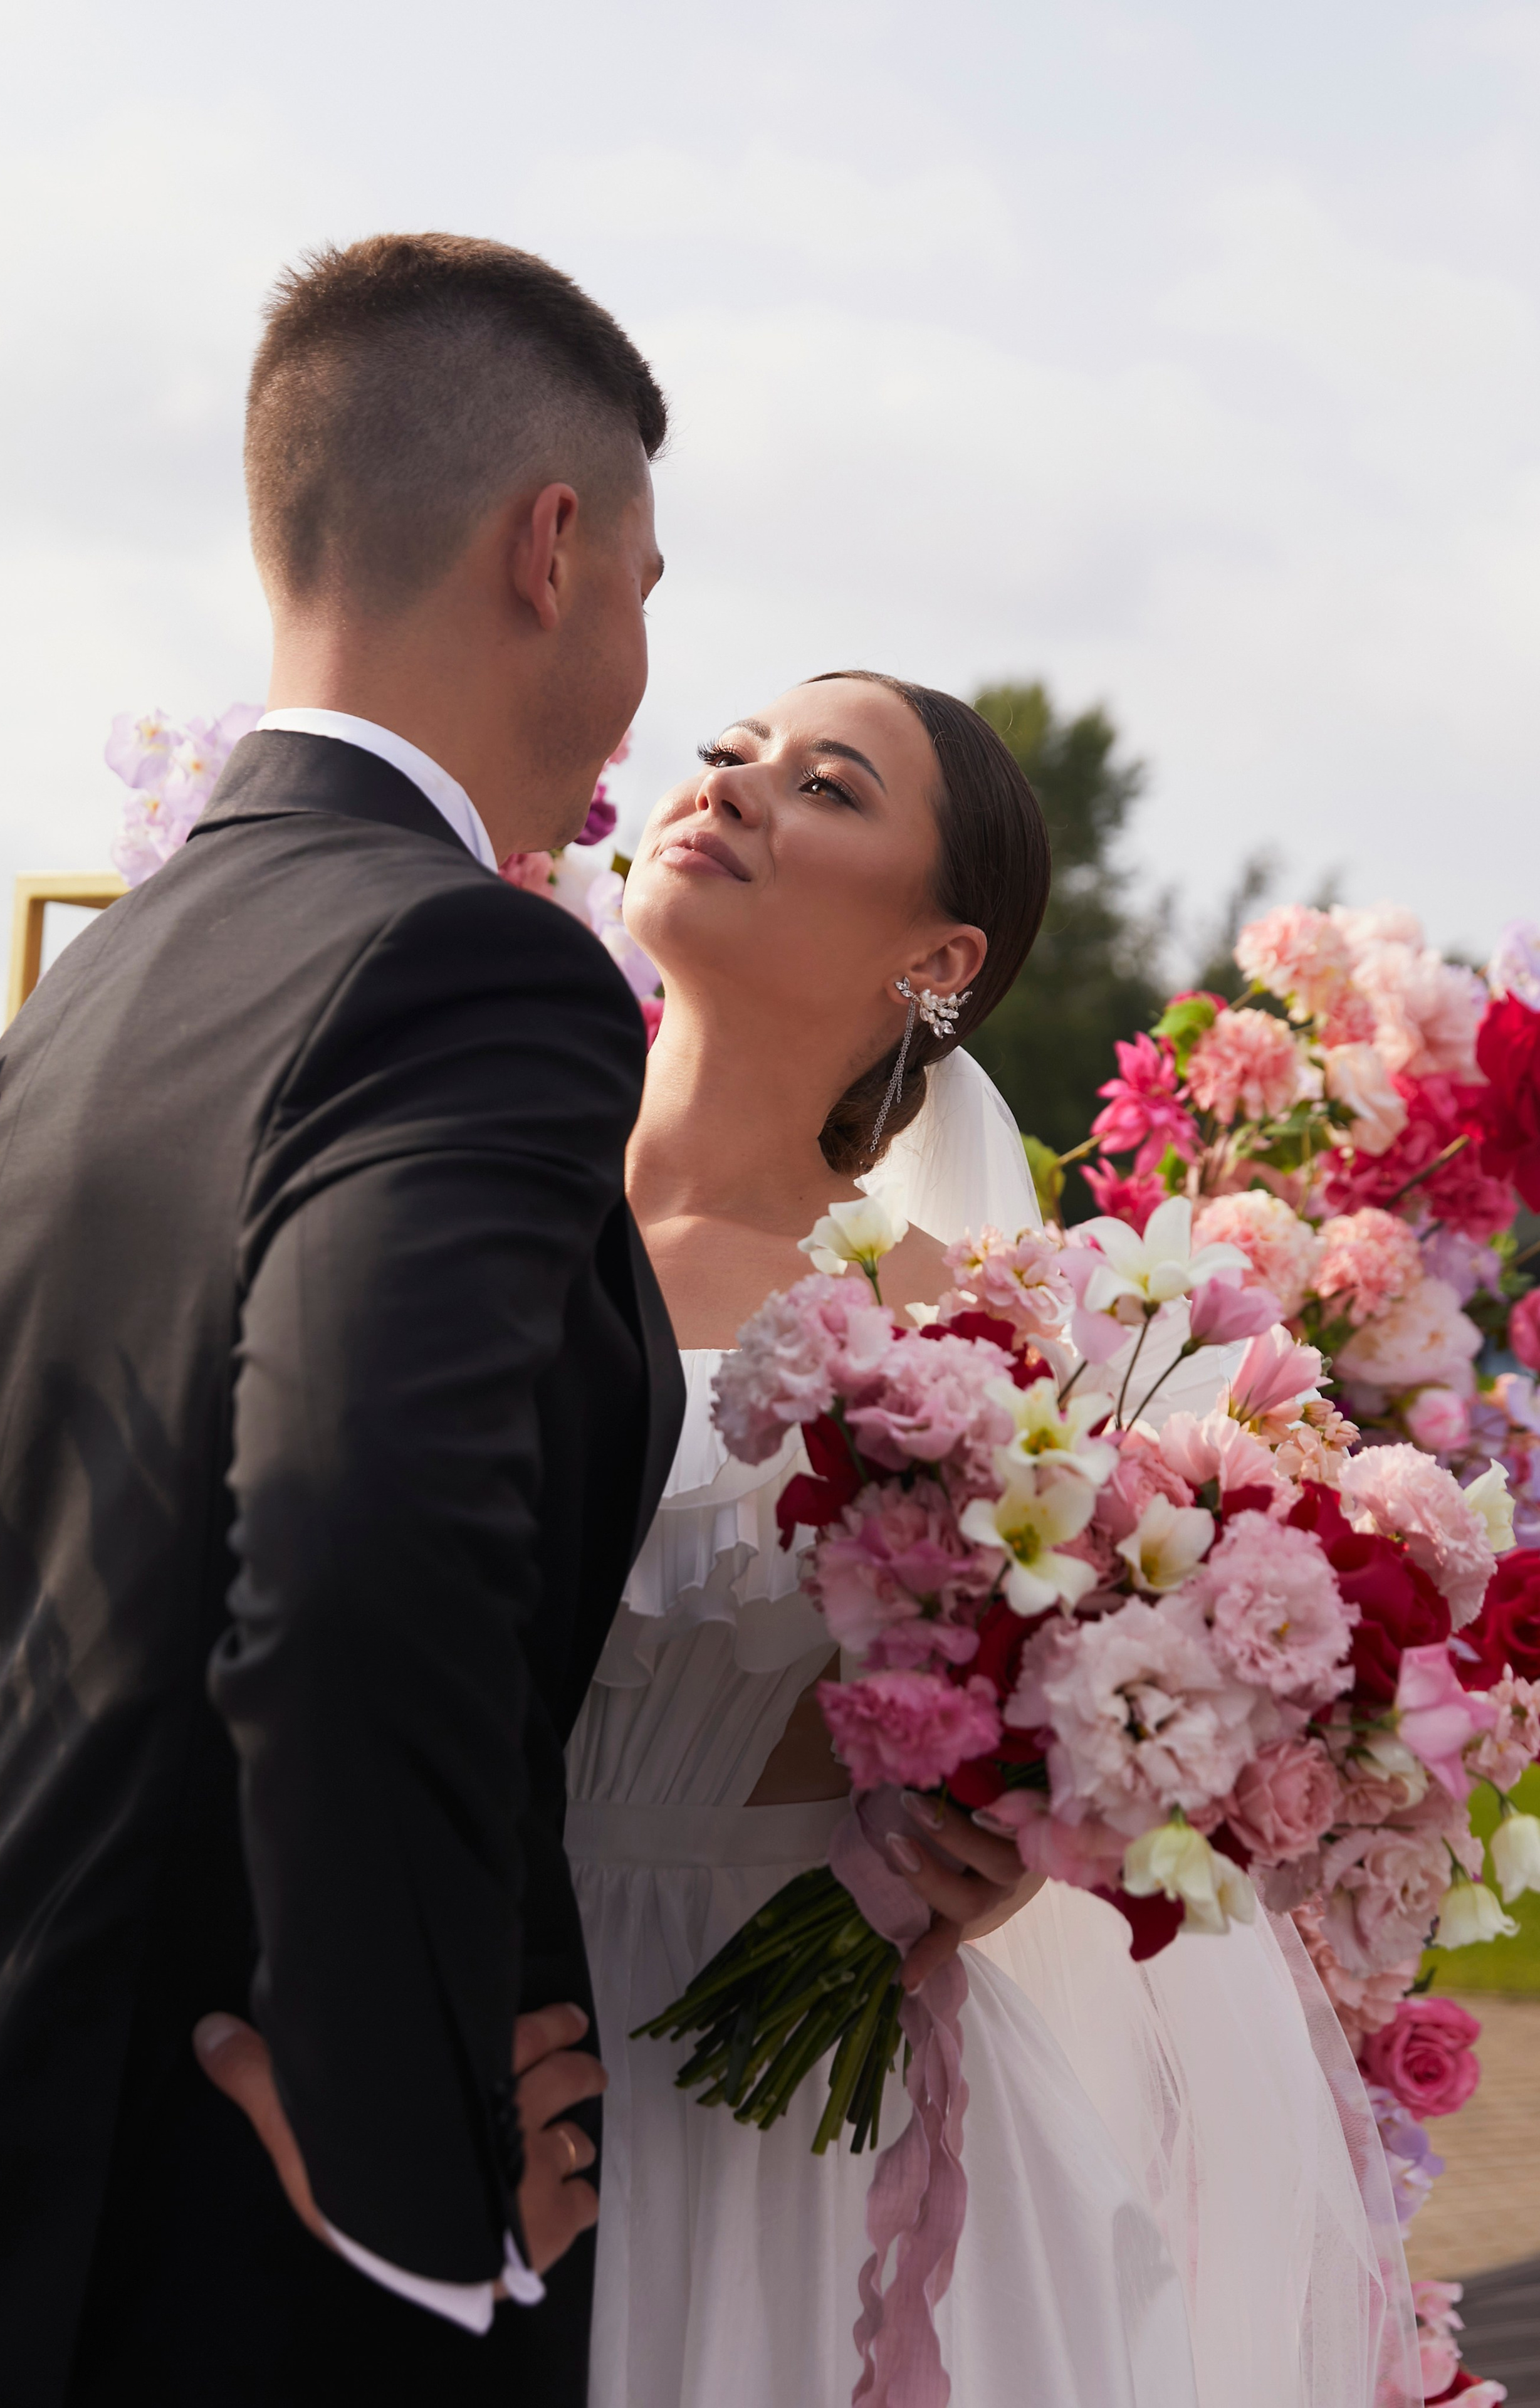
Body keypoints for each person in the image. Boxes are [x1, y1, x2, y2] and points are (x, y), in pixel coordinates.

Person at [0, 234, 685, 2408]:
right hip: (267, 2287)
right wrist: (405, 2170)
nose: (646, 645)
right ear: (553, 549)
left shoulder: (84, 997)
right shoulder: (473, 967)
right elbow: (356, 1555)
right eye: (650, 577)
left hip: (24, 2157)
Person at [570, 670, 1419, 2408]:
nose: (730, 786)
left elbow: (1059, 1692)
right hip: (483, 2015)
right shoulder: (464, 1205)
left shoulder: (962, 1333)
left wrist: (1011, 1832)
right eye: (729, 750)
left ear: (940, 957)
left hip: (790, 2118)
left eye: (819, 782)